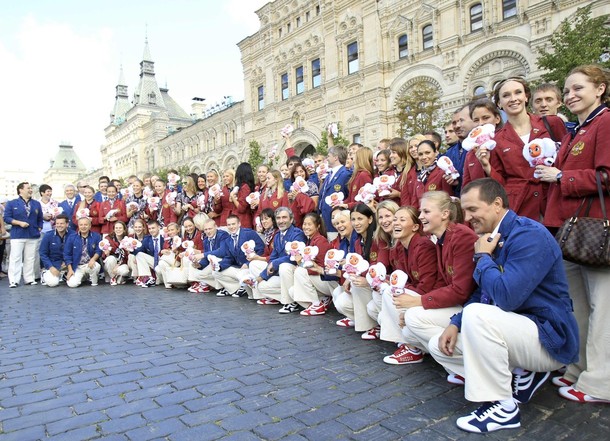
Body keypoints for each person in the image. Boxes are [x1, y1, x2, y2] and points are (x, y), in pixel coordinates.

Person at [428, 178, 579, 433]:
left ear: (497, 204)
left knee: (477, 315)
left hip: (549, 338)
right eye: (464, 211)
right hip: (519, 330)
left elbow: (507, 297)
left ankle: (503, 406)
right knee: (439, 345)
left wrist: (483, 257)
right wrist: (456, 323)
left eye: (473, 209)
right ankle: (520, 372)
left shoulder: (528, 235)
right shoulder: (489, 237)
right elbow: (483, 294)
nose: (467, 217)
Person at [538, 65, 610, 404]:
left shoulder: (606, 122)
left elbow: (606, 175)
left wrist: (560, 178)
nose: (570, 96)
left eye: (578, 88)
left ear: (600, 88)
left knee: (603, 308)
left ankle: (601, 381)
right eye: (567, 90)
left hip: (594, 230)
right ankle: (578, 367)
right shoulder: (578, 129)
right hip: (570, 230)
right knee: (578, 305)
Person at [400, 191, 478, 364]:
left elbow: (461, 290)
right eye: (421, 212)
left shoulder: (461, 236)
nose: (420, 217)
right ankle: (453, 358)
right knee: (408, 330)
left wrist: (420, 301)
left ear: (445, 214)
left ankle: (473, 357)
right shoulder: (442, 238)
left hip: (471, 307)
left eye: (426, 212)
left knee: (413, 317)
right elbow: (444, 281)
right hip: (460, 303)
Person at [488, 77, 567, 220]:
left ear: (526, 96)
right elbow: (500, 181)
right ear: (499, 103)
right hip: (522, 208)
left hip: (554, 200)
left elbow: (567, 158)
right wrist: (486, 165)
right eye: (506, 95)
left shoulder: (552, 123)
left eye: (518, 92)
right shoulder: (496, 140)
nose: (513, 99)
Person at [377, 205, 439, 365]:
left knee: (390, 293)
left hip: (431, 297)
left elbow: (427, 286)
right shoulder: (399, 246)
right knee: (381, 303)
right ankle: (408, 341)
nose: (396, 223)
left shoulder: (424, 246)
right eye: (395, 219)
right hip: (418, 292)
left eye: (402, 220)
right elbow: (404, 278)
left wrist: (399, 289)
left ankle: (412, 347)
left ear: (415, 227)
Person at [279, 212, 336, 316]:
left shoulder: (321, 241)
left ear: (317, 226)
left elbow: (322, 267)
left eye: (309, 224)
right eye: (304, 224)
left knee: (300, 271)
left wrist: (301, 264)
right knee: (292, 291)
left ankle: (316, 304)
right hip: (317, 281)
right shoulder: (310, 240)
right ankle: (321, 300)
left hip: (326, 280)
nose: (306, 227)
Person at [250, 207, 307, 310]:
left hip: (294, 271)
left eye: (284, 217)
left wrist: (275, 263)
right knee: (261, 286)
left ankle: (291, 302)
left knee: (284, 266)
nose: (281, 221)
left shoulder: (297, 234)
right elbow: (273, 257)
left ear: (291, 219)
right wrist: (260, 277)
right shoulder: (277, 236)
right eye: (278, 218)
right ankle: (282, 297)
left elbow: (293, 257)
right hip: (281, 273)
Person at [212, 214, 265, 298]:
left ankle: (255, 293)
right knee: (215, 272)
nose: (231, 227)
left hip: (251, 266)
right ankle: (238, 288)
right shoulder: (228, 240)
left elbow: (261, 250)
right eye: (229, 225)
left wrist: (248, 263)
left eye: (233, 224)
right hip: (239, 268)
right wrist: (219, 265)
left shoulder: (249, 233)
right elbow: (229, 258)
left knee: (251, 297)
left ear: (239, 224)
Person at [4, 182, 43, 287]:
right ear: (20, 190)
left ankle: (29, 278)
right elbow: (6, 218)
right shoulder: (12, 203)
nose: (30, 190)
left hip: (33, 234)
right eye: (28, 188)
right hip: (18, 234)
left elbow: (40, 218)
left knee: (30, 258)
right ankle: (14, 280)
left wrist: (39, 227)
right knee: (15, 258)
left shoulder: (36, 203)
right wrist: (19, 223)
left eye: (31, 188)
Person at [462, 99, 504, 188]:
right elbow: (466, 186)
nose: (480, 123)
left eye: (485, 118)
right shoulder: (470, 153)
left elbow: (511, 183)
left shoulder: (505, 144)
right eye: (476, 120)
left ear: (497, 119)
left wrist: (487, 166)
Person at [406, 140, 454, 208]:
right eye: (420, 154)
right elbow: (415, 203)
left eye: (427, 153)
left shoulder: (442, 173)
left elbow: (449, 201)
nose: (424, 157)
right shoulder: (420, 176)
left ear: (436, 152)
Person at [187, 218, 230, 293]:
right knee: (196, 271)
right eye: (206, 229)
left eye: (210, 229)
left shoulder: (223, 235)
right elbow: (205, 259)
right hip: (213, 262)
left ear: (216, 227)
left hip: (225, 261)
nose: (208, 231)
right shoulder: (206, 240)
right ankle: (207, 285)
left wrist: (202, 254)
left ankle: (215, 286)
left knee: (211, 260)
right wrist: (199, 265)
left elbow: (222, 252)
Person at [318, 145, 352, 238]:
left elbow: (349, 195)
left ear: (336, 157)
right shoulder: (329, 174)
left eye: (328, 156)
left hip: (337, 222)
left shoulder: (345, 174)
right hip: (325, 219)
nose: (327, 159)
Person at [442, 106, 473, 197]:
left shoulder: (480, 146)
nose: (457, 126)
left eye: (461, 121)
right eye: (454, 123)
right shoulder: (449, 153)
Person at [64, 217, 102, 288]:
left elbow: (99, 250)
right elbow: (67, 254)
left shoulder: (96, 236)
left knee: (96, 266)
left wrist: (93, 259)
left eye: (85, 225)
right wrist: (70, 269)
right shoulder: (72, 237)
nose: (83, 227)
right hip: (77, 266)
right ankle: (83, 277)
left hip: (89, 264)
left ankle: (94, 280)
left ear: (90, 226)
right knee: (72, 284)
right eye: (81, 225)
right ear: (78, 226)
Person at [39, 214, 72, 287]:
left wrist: (68, 263)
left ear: (67, 224)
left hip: (68, 264)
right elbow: (43, 253)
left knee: (73, 283)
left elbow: (76, 252)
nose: (59, 225)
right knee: (52, 283)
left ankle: (64, 275)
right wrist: (51, 267)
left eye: (62, 223)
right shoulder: (48, 235)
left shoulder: (73, 235)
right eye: (57, 223)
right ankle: (44, 273)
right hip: (53, 264)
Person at [133, 220, 164, 288]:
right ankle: (147, 278)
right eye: (149, 228)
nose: (151, 230)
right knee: (139, 255)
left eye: (153, 228)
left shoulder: (164, 237)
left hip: (164, 261)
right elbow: (139, 250)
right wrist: (130, 248)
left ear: (158, 227)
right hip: (154, 261)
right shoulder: (147, 239)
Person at [102, 221, 130, 285]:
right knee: (110, 258)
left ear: (124, 229)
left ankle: (117, 277)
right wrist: (107, 253)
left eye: (120, 228)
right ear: (114, 229)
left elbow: (126, 257)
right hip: (110, 264)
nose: (118, 230)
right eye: (116, 228)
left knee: (125, 271)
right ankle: (113, 277)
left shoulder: (128, 239)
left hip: (122, 263)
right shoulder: (108, 239)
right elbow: (104, 256)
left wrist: (128, 251)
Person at [230, 163, 256, 229]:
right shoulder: (243, 186)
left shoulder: (245, 187)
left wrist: (233, 197)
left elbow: (241, 208)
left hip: (242, 221)